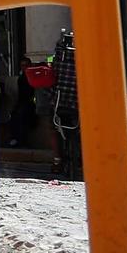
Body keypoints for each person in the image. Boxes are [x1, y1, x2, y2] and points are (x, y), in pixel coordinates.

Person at [48, 28, 78, 178]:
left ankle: (57, 159)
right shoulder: (86, 59)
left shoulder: (59, 59)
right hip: (80, 103)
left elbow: (52, 75)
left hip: (60, 101)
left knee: (53, 129)